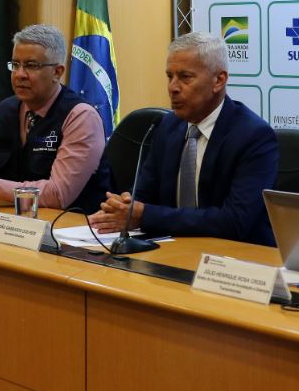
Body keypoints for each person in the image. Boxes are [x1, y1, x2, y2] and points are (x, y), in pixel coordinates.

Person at [89, 31, 278, 243]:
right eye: (170, 76)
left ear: (219, 80)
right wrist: (122, 207)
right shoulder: (168, 126)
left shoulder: (253, 136)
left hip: (234, 259)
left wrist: (144, 215)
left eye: (185, 77)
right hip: (173, 250)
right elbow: (143, 194)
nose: (172, 88)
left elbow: (234, 221)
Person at [0, 24, 110, 213]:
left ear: (57, 72)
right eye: (15, 65)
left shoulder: (80, 117)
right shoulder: (5, 111)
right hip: (13, 222)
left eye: (31, 66)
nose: (19, 74)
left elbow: (59, 195)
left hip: (71, 228)